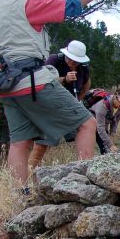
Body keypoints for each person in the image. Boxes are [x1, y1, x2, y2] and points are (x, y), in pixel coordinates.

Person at [0, 0, 120, 187]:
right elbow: (71, 5)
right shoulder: (27, 5)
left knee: (19, 142)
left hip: (4, 87)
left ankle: (19, 195)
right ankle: (85, 185)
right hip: (32, 83)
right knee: (86, 123)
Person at [28, 40, 92, 170]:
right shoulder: (54, 61)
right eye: (71, 59)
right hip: (50, 107)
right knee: (42, 144)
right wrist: (64, 79)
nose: (73, 62)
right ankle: (28, 175)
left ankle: (86, 170)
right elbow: (41, 81)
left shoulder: (83, 68)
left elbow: (86, 84)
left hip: (70, 107)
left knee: (85, 130)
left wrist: (77, 100)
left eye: (76, 60)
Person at [91, 86, 120, 154]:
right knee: (105, 148)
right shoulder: (102, 106)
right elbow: (100, 128)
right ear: (116, 96)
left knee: (107, 148)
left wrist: (112, 133)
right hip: (93, 124)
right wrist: (111, 145)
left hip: (104, 124)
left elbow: (116, 120)